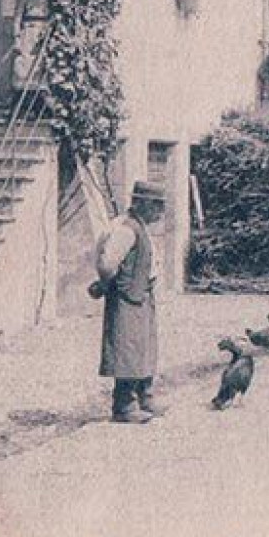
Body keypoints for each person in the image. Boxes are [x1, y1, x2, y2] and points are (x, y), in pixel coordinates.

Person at [93, 181, 166, 424]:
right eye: (156, 206)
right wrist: (109, 283)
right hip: (126, 297)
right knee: (127, 350)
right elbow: (106, 264)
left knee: (144, 347)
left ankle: (145, 396)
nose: (160, 212)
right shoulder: (127, 230)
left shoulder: (140, 228)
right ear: (142, 204)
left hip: (142, 295)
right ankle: (124, 406)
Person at [10, 0, 52, 93]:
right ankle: (23, 93)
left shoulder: (49, 0)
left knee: (41, 63)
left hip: (43, 34)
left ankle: (38, 94)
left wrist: (47, 31)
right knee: (24, 63)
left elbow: (51, 18)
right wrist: (17, 38)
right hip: (27, 35)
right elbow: (17, 20)